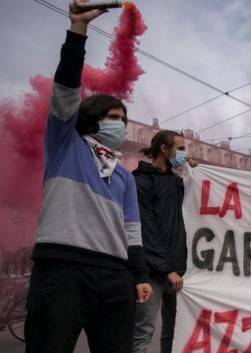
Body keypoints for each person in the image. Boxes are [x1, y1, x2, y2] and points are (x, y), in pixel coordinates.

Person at [25, 3, 153, 353]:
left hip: (114, 276)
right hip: (63, 269)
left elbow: (132, 231)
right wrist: (77, 29)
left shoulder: (124, 177)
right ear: (92, 119)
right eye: (113, 117)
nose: (120, 125)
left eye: (123, 119)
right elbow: (66, 89)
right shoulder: (65, 142)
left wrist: (139, 276)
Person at [132, 131, 193, 353]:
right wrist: (167, 270)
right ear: (164, 149)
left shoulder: (178, 183)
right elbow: (144, 230)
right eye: (180, 148)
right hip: (152, 273)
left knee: (174, 332)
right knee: (142, 334)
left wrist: (197, 172)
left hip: (177, 271)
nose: (184, 154)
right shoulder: (140, 181)